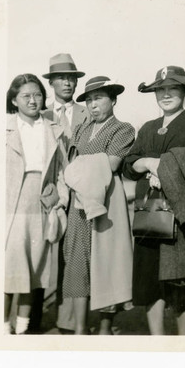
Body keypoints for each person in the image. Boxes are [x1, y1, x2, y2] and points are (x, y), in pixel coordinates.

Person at [123, 66, 185, 335]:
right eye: (160, 89)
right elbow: (129, 166)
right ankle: (157, 341)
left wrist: (165, 168)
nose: (166, 94)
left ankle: (183, 341)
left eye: (173, 88)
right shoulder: (148, 128)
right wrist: (146, 162)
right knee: (149, 277)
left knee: (183, 279)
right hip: (151, 212)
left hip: (184, 215)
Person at [62, 76, 135, 334]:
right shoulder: (81, 128)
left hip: (107, 200)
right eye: (89, 100)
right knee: (78, 260)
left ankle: (105, 326)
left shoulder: (123, 129)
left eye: (99, 98)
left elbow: (112, 163)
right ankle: (80, 328)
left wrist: (77, 168)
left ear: (113, 100)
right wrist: (81, 167)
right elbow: (70, 164)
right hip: (78, 202)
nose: (93, 105)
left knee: (107, 260)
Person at [5, 73, 69, 334]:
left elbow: (64, 171)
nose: (33, 100)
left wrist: (60, 199)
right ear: (14, 100)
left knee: (35, 268)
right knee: (9, 267)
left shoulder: (53, 128)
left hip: (41, 204)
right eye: (26, 96)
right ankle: (1, 329)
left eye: (38, 95)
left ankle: (21, 332)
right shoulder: (3, 129)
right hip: (11, 204)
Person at [37, 53, 89, 333]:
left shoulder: (86, 112)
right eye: (61, 78)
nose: (67, 83)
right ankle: (31, 321)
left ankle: (69, 322)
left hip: (80, 196)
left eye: (71, 78)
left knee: (75, 258)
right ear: (52, 82)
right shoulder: (41, 114)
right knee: (44, 257)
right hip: (48, 197)